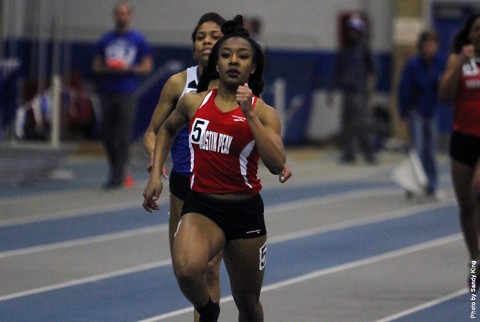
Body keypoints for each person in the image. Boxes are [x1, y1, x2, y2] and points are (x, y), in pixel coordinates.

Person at [143, 15, 287, 322]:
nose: (233, 61)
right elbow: (164, 131)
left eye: (242, 57)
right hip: (202, 205)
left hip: (244, 211)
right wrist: (156, 174)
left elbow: (276, 164)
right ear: (217, 65)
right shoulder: (193, 103)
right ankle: (208, 312)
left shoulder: (265, 112)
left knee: (247, 302)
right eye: (226, 56)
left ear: (253, 66)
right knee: (186, 270)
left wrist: (249, 115)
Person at [143, 12, 226, 322]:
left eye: (214, 36)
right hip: (182, 186)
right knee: (185, 271)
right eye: (200, 36)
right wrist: (156, 166)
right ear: (194, 47)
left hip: (219, 190)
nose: (206, 41)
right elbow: (153, 132)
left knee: (209, 269)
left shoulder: (238, 87)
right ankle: (209, 313)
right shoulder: (178, 83)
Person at [92, 1, 153, 189]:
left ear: (130, 16)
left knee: (122, 136)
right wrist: (109, 68)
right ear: (114, 16)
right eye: (119, 13)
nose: (122, 16)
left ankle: (118, 174)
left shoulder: (138, 40)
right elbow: (96, 65)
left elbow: (147, 66)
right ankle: (114, 167)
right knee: (107, 135)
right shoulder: (104, 40)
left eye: (125, 13)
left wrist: (129, 68)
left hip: (127, 93)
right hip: (107, 92)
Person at [439, 13, 480, 286]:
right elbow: (444, 95)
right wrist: (460, 64)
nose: (479, 34)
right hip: (462, 138)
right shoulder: (458, 59)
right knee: (466, 207)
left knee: (478, 190)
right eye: (476, 29)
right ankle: (475, 262)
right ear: (469, 33)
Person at [398, 30, 446, 199]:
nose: (431, 48)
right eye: (428, 45)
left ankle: (431, 185)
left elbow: (444, 84)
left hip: (431, 110)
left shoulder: (440, 62)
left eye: (434, 45)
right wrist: (403, 113)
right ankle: (413, 184)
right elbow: (404, 89)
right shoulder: (413, 65)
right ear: (422, 46)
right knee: (416, 149)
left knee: (431, 150)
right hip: (415, 110)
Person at [327, 13, 377, 165]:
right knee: (347, 123)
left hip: (359, 90)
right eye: (351, 30)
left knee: (362, 122)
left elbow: (372, 70)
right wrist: (331, 91)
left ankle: (369, 153)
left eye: (355, 30)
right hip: (346, 90)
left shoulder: (363, 50)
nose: (352, 33)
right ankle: (349, 153)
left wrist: (370, 89)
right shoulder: (345, 50)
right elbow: (337, 71)